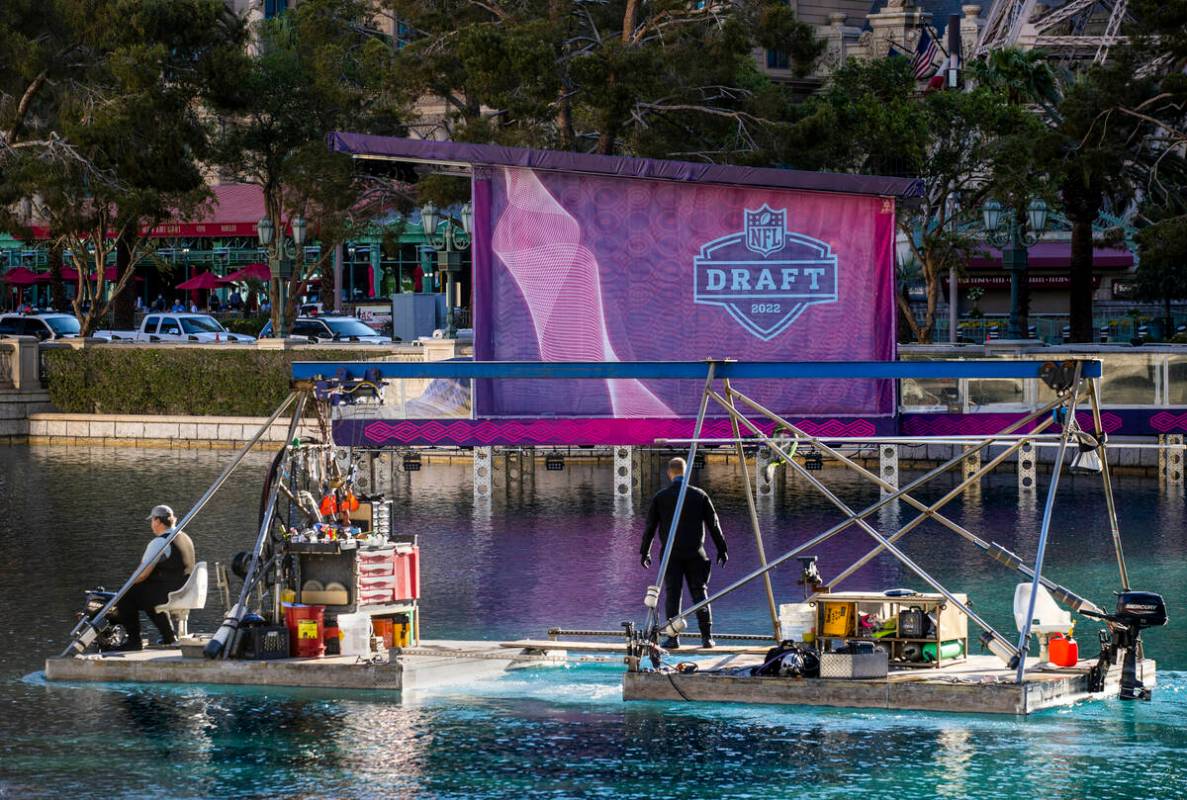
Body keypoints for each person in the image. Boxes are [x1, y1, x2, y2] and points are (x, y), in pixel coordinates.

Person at [640, 457, 728, 649]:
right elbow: (714, 524)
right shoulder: (700, 495)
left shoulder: (661, 497)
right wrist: (722, 548)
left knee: (673, 594)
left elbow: (650, 528)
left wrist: (645, 551)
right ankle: (707, 637)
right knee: (700, 593)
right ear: (687, 472)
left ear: (669, 473)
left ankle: (673, 638)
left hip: (671, 554)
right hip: (696, 551)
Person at [115, 505, 196, 650]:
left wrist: (125, 587)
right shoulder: (185, 537)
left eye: (152, 520)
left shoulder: (159, 542)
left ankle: (134, 642)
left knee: (125, 597)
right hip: (185, 590)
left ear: (158, 521)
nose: (151, 524)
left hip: (171, 592)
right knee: (147, 594)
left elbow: (142, 574)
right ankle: (169, 637)